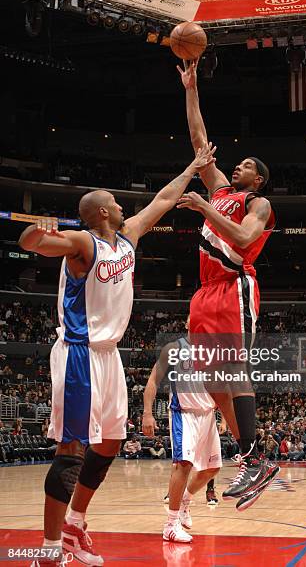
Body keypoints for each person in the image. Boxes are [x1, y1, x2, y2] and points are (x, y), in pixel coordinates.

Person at [18, 145, 216, 567]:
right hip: (78, 354)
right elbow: (31, 243)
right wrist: (39, 229)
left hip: (110, 356)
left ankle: (75, 524)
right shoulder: (81, 243)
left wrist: (191, 168)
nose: (123, 205)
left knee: (111, 441)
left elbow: (162, 200)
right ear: (102, 212)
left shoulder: (126, 240)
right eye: (115, 201)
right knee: (71, 449)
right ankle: (50, 552)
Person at [177, 59, 279, 510]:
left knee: (234, 370)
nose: (236, 167)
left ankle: (254, 459)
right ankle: (253, 457)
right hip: (204, 293)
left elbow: (240, 238)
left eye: (245, 166)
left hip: (234, 286)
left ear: (257, 179)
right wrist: (191, 87)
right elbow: (200, 141)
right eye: (236, 164)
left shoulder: (258, 204)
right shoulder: (218, 186)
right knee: (211, 378)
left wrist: (204, 209)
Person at [142, 317, 221, 543]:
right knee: (183, 465)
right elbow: (153, 380)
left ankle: (185, 500)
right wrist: (148, 413)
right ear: (187, 323)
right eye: (193, 320)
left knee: (213, 468)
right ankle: (170, 524)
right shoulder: (174, 348)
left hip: (207, 414)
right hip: (183, 412)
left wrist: (223, 415)